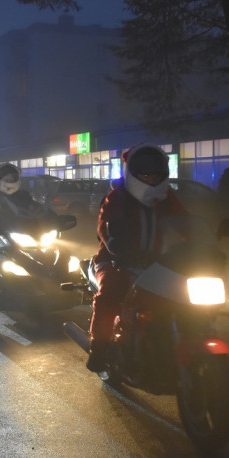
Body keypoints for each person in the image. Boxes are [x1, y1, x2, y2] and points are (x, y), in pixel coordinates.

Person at [87, 143, 188, 372]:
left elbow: (185, 221)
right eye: (145, 174)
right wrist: (117, 246)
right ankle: (99, 347)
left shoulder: (166, 197)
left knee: (180, 296)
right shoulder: (117, 197)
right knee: (110, 294)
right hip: (114, 260)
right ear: (133, 173)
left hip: (154, 262)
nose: (151, 178)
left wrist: (200, 244)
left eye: (155, 174)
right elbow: (105, 227)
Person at [0, 163, 53, 250]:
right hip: (1, 237)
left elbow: (38, 210)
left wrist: (52, 220)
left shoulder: (24, 195)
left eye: (12, 179)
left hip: (27, 236)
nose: (10, 183)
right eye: (6, 180)